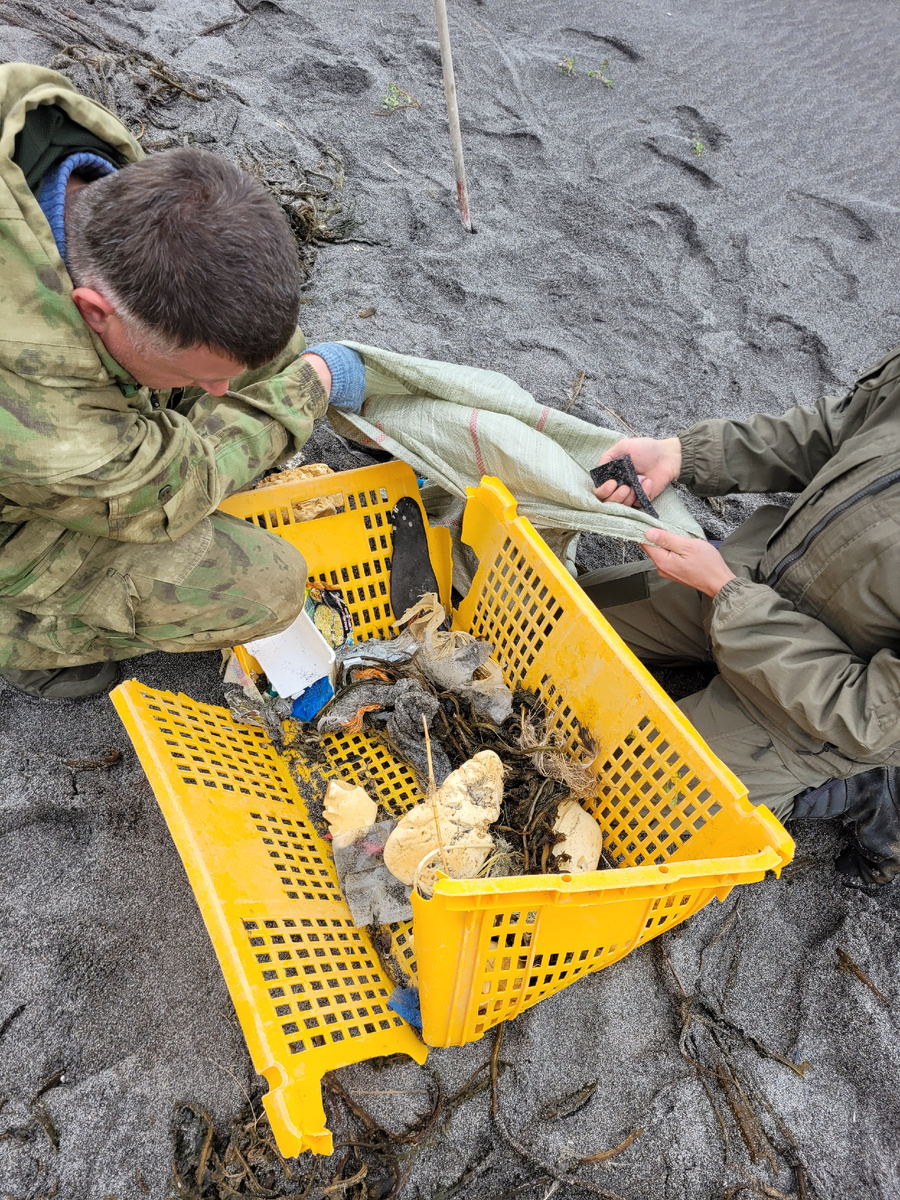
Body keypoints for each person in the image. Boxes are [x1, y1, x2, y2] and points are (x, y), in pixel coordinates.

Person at [0, 62, 367, 700]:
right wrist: (308, 390)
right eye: (205, 382)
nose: (219, 392)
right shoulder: (38, 405)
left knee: (267, 358)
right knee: (263, 588)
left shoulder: (77, 159)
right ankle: (26, 638)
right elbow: (174, 488)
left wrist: (293, 371)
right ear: (94, 312)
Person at [582, 355, 900, 885]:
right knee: (561, 621)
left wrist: (728, 597)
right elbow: (838, 430)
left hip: (811, 717)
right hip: (753, 576)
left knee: (609, 821)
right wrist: (681, 455)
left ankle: (847, 787)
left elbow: (869, 714)